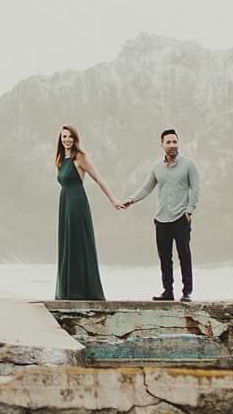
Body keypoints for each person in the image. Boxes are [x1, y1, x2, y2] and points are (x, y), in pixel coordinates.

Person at [120, 127, 201, 302]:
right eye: (168, 142)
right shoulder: (156, 167)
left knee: (184, 255)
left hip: (181, 218)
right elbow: (147, 187)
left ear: (178, 143)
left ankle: (187, 292)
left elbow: (195, 188)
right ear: (162, 145)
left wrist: (190, 210)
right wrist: (131, 199)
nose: (172, 145)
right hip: (161, 219)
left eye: (174, 141)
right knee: (165, 258)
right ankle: (168, 291)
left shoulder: (189, 164)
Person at [53, 124, 116, 299]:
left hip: (76, 203)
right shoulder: (60, 159)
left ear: (75, 139)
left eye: (70, 136)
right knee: (67, 244)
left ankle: (80, 291)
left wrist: (113, 200)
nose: (67, 140)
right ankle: (68, 289)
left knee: (77, 244)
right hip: (64, 202)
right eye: (64, 136)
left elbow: (99, 179)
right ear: (60, 139)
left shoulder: (80, 157)